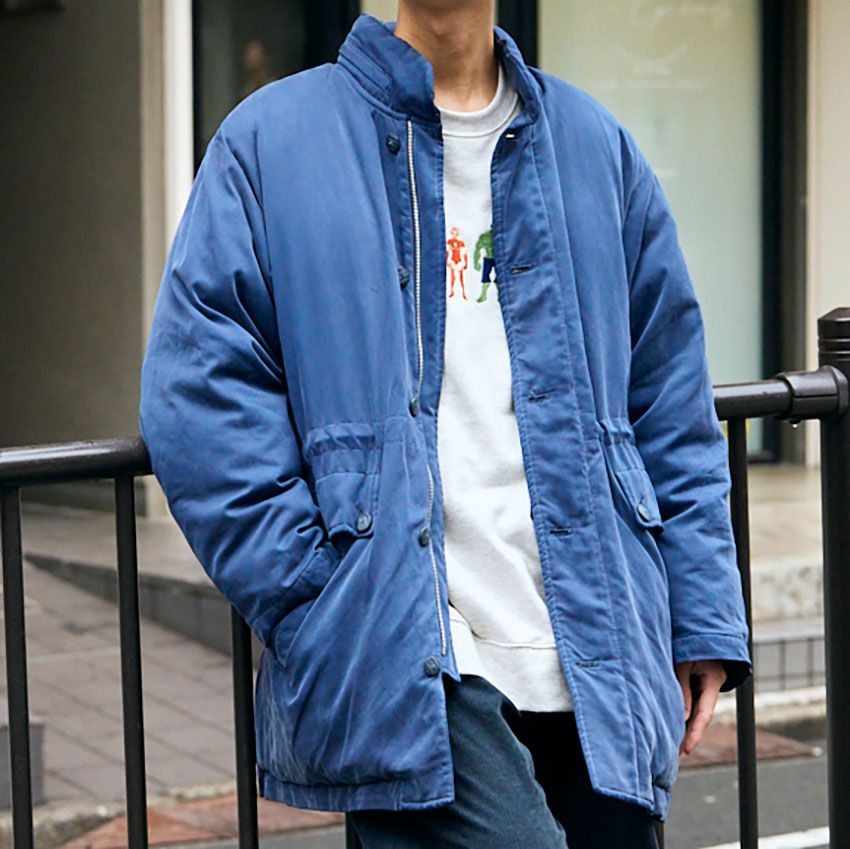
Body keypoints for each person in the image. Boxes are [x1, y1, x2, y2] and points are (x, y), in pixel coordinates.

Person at [138, 2, 753, 847]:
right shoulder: (272, 143)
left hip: (598, 649)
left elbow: (670, 403)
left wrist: (700, 611)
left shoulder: (594, 148)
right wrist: (324, 599)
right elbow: (201, 399)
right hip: (409, 652)